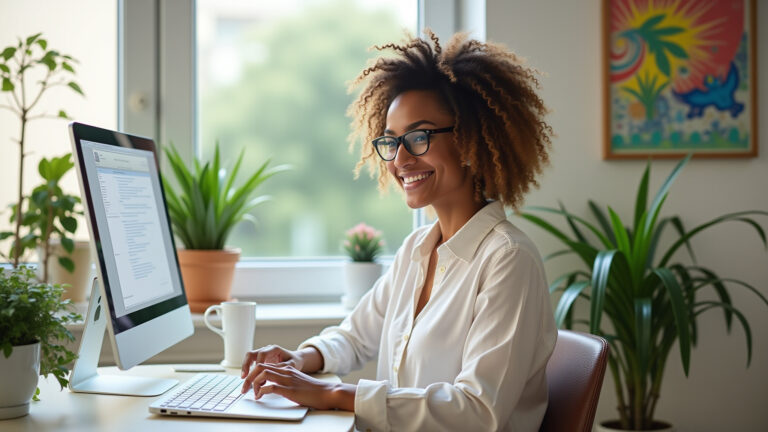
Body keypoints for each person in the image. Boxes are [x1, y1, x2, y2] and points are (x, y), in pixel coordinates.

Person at [240, 31, 557, 432]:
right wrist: (299, 359)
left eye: (419, 137)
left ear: (471, 139)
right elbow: (356, 337)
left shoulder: (509, 260)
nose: (400, 159)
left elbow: (478, 410)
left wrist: (334, 395)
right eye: (391, 142)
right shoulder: (417, 250)